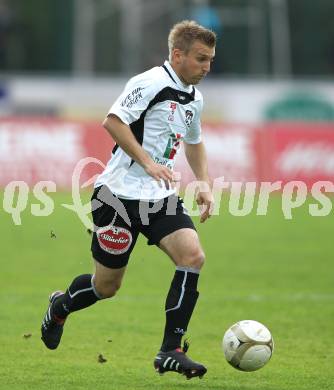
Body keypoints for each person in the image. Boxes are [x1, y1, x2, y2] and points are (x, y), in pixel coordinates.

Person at [41, 20, 216, 380]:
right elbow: (114, 121)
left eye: (210, 59)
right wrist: (148, 162)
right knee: (107, 287)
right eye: (200, 58)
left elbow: (195, 141)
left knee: (193, 256)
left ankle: (171, 350)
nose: (207, 67)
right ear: (177, 54)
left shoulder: (194, 98)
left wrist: (203, 183)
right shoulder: (150, 82)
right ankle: (60, 307)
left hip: (160, 198)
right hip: (117, 197)